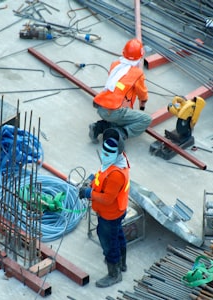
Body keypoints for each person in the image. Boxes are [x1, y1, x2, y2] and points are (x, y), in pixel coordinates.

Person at [78, 128, 130, 288]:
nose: (105, 154)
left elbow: (107, 199)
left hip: (110, 213)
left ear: (118, 151)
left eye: (109, 152)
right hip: (116, 211)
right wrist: (93, 179)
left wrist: (88, 192)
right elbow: (102, 174)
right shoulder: (115, 161)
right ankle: (122, 264)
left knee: (109, 242)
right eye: (104, 150)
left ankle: (114, 274)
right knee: (117, 235)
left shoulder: (116, 174)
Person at [89, 38, 152, 143]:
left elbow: (118, 84)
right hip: (114, 111)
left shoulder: (115, 64)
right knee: (146, 119)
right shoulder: (137, 74)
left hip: (101, 107)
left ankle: (98, 127)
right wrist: (142, 104)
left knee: (119, 117)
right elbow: (142, 94)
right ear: (140, 57)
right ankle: (120, 133)